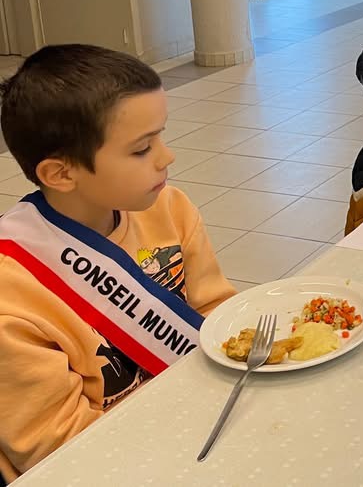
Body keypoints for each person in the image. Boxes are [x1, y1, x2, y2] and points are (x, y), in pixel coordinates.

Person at [0, 45, 237, 481]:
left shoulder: (169, 208)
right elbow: (59, 448)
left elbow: (217, 314)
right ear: (61, 174)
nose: (167, 157)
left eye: (160, 137)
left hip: (200, 425)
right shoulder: (12, 294)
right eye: (142, 149)